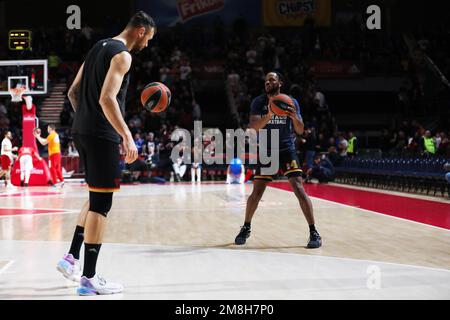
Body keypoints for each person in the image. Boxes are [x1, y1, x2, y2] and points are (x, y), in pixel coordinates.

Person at [56, 11, 156, 296]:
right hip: (101, 136)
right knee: (102, 206)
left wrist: (86, 121)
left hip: (81, 131)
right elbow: (107, 98)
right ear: (140, 31)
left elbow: (73, 92)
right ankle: (89, 278)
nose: (147, 45)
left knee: (94, 197)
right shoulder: (123, 55)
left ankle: (71, 257)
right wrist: (126, 135)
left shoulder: (97, 46)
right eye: (148, 38)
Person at [234, 72, 322, 249]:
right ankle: (246, 227)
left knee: (298, 188)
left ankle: (314, 232)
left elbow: (299, 130)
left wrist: (293, 117)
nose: (267, 82)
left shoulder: (291, 102)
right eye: (266, 80)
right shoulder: (259, 102)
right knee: (257, 193)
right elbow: (253, 129)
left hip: (287, 150)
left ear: (280, 83)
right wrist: (270, 114)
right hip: (267, 151)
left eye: (271, 80)